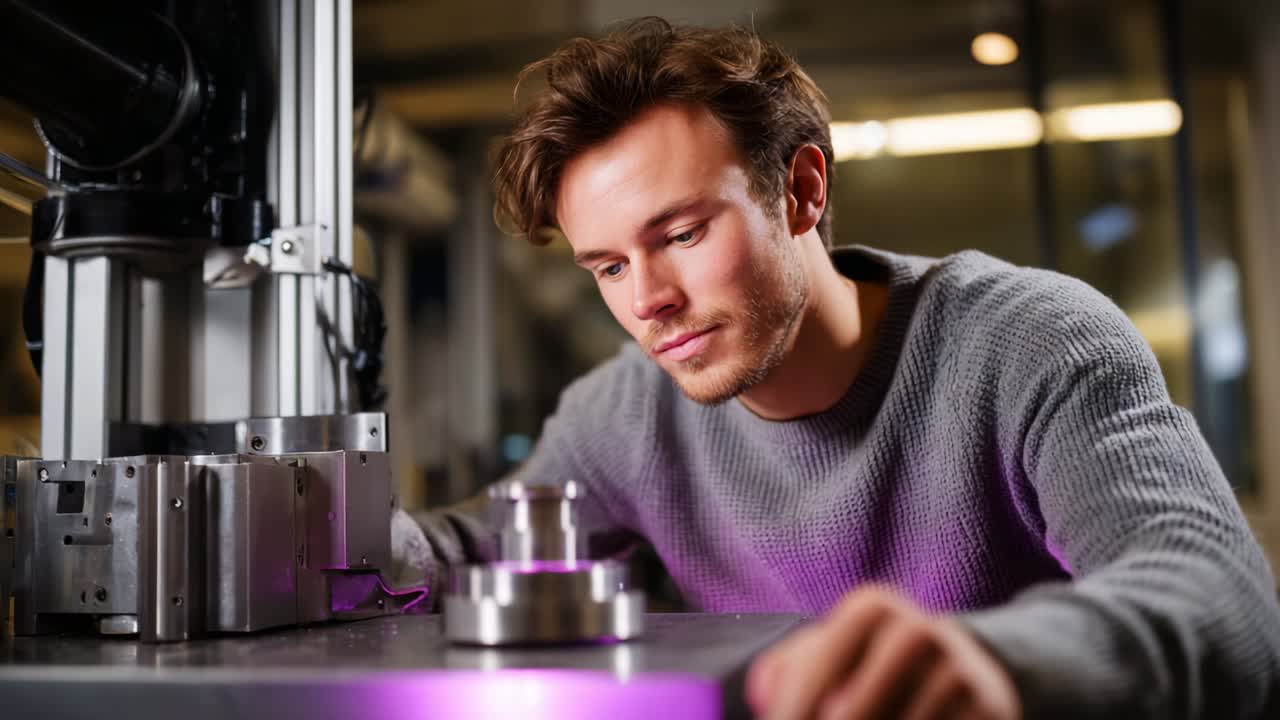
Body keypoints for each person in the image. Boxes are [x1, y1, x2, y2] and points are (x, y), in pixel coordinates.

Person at [393, 16, 1280, 719]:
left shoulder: (1029, 342)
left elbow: (1219, 597)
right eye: (611, 267)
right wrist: (307, 527)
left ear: (803, 190)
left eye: (683, 234)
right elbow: (463, 553)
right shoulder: (620, 414)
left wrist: (1004, 666)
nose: (648, 299)